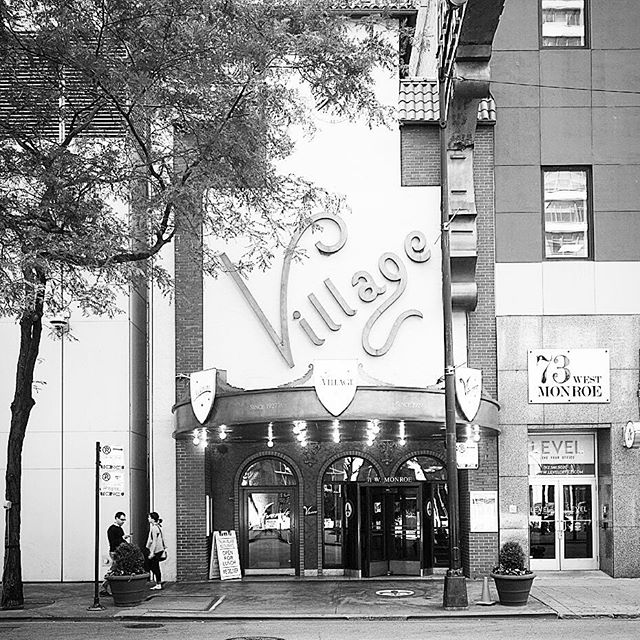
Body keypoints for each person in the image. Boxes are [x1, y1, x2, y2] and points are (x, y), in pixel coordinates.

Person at [100, 512, 130, 596]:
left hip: (118, 551)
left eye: (124, 520)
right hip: (114, 551)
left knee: (115, 568)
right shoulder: (112, 529)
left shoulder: (119, 529)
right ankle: (105, 586)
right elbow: (113, 542)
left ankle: (106, 587)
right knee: (114, 569)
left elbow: (120, 541)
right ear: (116, 518)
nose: (123, 521)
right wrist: (122, 538)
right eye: (121, 519)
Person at [146, 512, 166, 590]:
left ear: (153, 519)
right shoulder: (158, 526)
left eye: (149, 517)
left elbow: (154, 541)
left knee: (154, 566)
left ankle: (158, 583)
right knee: (153, 566)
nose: (148, 519)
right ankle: (158, 582)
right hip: (159, 549)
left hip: (156, 550)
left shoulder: (154, 528)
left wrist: (152, 552)